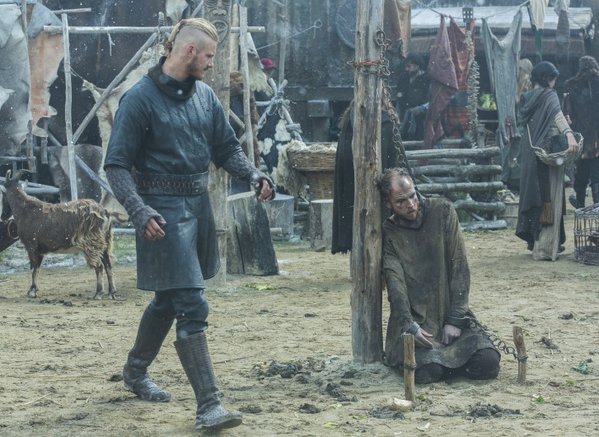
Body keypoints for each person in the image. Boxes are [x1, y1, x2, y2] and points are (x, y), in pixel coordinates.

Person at [103, 18, 274, 432]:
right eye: (210, 56)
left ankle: (135, 371)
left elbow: (226, 148)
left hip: (197, 209)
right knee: (193, 304)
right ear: (190, 51)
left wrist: (252, 174)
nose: (213, 65)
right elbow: (116, 165)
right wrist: (139, 210)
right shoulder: (138, 100)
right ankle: (209, 406)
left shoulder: (206, 97)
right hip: (161, 214)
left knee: (168, 300)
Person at [380, 167, 500, 384]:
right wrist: (408, 324)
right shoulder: (390, 232)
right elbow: (395, 284)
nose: (411, 205)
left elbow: (459, 266)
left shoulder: (443, 211)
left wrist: (455, 319)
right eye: (401, 202)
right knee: (428, 371)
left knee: (488, 362)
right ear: (388, 203)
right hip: (418, 322)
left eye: (412, 196)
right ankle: (444, 366)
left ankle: (448, 365)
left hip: (448, 315)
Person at [515, 61, 578, 261]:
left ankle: (538, 241)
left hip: (530, 151)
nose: (554, 83)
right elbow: (557, 116)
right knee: (549, 197)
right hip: (547, 153)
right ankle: (545, 246)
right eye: (553, 79)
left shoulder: (526, 97)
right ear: (546, 78)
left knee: (535, 196)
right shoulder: (549, 95)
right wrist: (569, 134)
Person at [564, 55, 599, 208]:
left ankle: (580, 203)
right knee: (597, 171)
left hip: (581, 136)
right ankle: (597, 204)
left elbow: (567, 114)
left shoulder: (572, 85)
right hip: (597, 136)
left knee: (582, 171)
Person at [395, 53, 430, 140]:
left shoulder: (427, 79)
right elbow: (399, 101)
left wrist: (422, 108)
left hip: (421, 118)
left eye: (409, 66)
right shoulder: (403, 78)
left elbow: (433, 101)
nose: (406, 69)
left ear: (417, 66)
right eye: (406, 66)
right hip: (405, 118)